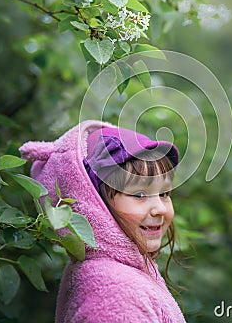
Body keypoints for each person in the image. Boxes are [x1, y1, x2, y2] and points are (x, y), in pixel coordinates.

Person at [19, 120, 186, 323]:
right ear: (95, 203)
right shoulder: (117, 292)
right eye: (140, 194)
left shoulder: (120, 276)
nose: (160, 208)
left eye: (164, 193)